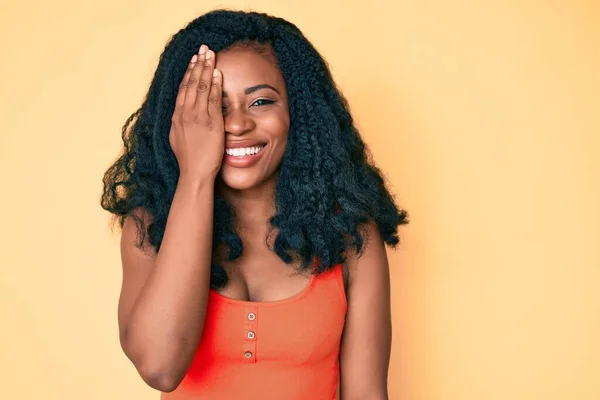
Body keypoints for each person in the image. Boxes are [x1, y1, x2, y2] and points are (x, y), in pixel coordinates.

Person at [100, 9, 408, 400]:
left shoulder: (350, 235)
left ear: (298, 113)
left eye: (261, 101)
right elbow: (160, 366)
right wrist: (195, 176)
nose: (237, 124)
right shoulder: (150, 227)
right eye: (214, 105)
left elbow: (366, 395)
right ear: (180, 120)